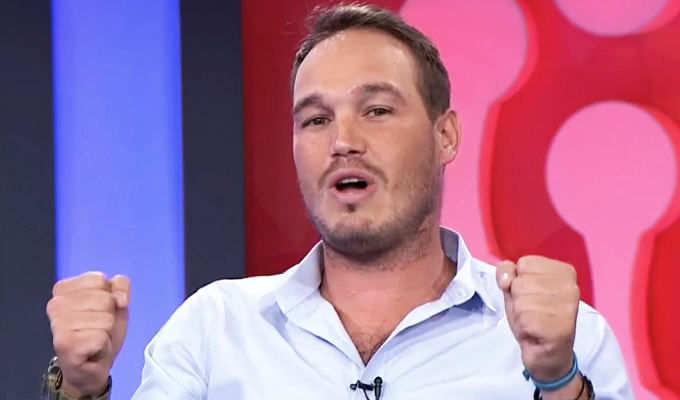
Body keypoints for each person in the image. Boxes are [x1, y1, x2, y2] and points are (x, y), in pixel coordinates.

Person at [42, 3, 633, 400]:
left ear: (445, 136)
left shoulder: (565, 340)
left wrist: (558, 383)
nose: (343, 141)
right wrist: (78, 391)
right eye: (316, 119)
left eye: (377, 110)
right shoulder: (214, 330)